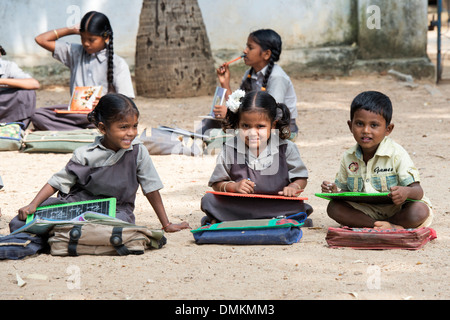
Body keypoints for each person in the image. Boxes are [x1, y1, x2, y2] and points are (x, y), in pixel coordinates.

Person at [10, 93, 190, 233]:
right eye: (123, 127)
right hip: (77, 205)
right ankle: (70, 231)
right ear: (103, 128)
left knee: (117, 225)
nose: (131, 133)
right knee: (20, 220)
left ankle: (65, 232)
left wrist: (166, 224)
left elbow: (151, 188)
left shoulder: (138, 151)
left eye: (134, 126)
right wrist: (33, 205)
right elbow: (57, 182)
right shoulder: (85, 154)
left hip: (116, 210)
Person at [321, 91, 433, 229]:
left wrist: (406, 192)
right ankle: (380, 226)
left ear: (388, 129)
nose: (366, 130)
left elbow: (418, 190)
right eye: (360, 124)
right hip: (366, 210)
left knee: (419, 211)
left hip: (397, 209)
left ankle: (389, 224)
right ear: (350, 126)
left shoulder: (397, 154)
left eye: (374, 125)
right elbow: (345, 193)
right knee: (334, 208)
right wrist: (334, 192)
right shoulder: (348, 157)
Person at [200, 90, 312, 225]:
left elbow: (301, 177)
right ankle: (275, 220)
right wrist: (234, 187)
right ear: (238, 124)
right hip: (241, 205)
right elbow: (217, 183)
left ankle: (230, 219)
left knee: (298, 206)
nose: (252, 132)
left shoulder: (286, 148)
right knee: (208, 200)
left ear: (273, 125)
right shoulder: (230, 148)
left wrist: (293, 186)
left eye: (260, 126)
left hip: (277, 205)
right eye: (245, 126)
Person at [31, 11, 135, 131]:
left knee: (113, 120)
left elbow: (127, 102)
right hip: (77, 114)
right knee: (38, 115)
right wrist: (71, 30)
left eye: (91, 40)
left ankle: (71, 130)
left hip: (102, 116)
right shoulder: (74, 52)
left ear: (106, 38)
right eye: (82, 38)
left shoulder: (118, 63)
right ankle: (90, 132)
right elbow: (41, 39)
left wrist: (105, 103)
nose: (86, 43)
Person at [199, 29, 298, 140]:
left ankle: (200, 143)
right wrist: (225, 83)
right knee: (209, 122)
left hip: (279, 128)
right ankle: (197, 139)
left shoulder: (277, 77)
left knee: (222, 136)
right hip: (256, 123)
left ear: (266, 54)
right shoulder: (249, 73)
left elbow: (272, 113)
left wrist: (228, 114)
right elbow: (239, 105)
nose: (245, 51)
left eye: (250, 48)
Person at [0, 45, 40, 127]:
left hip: (4, 102)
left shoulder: (8, 66)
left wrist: (2, 81)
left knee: (27, 93)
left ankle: (17, 127)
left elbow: (34, 84)